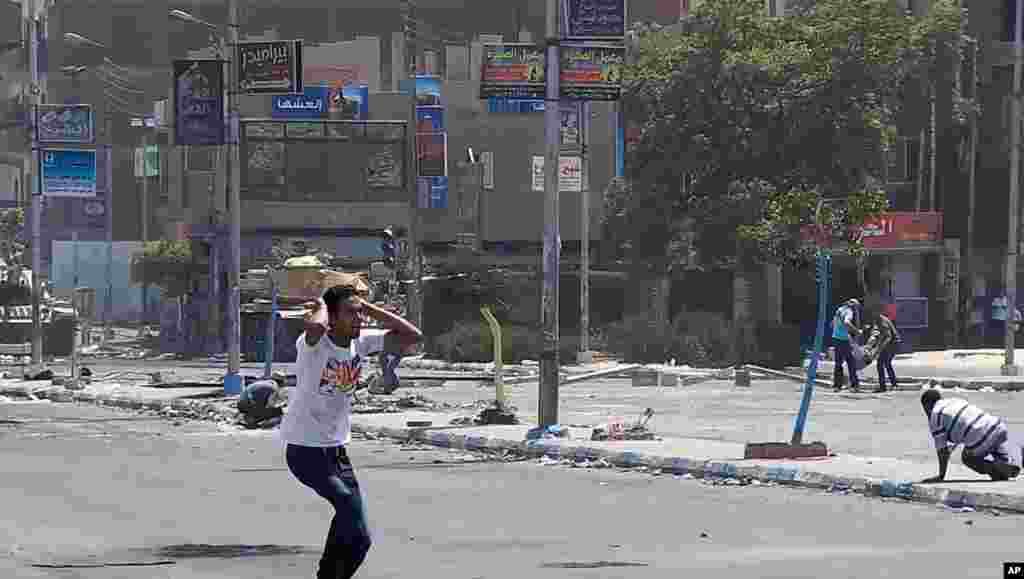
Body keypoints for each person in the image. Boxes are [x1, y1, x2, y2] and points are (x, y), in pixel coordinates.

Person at [280, 283, 422, 579]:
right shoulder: (313, 345)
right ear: (331, 317)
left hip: (337, 453)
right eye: (351, 313)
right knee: (346, 505)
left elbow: (413, 335)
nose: (359, 319)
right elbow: (316, 327)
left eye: (360, 313)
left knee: (360, 537)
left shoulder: (361, 343)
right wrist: (322, 303)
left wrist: (367, 307)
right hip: (305, 450)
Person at [919, 389, 1021, 483]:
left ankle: (1000, 469)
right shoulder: (954, 401)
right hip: (998, 427)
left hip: (982, 437)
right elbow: (963, 425)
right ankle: (1008, 462)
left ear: (927, 406)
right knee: (988, 440)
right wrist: (951, 448)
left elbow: (942, 452)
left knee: (967, 458)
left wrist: (941, 475)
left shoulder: (935, 416)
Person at [831, 298, 863, 391]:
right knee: (851, 362)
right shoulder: (849, 312)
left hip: (836, 337)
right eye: (857, 308)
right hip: (844, 340)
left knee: (838, 363)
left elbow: (832, 323)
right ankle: (854, 385)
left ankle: (837, 385)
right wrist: (857, 331)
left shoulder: (840, 309)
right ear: (854, 307)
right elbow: (847, 322)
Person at [864, 310, 900, 393]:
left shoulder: (882, 321)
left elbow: (888, 337)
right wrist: (870, 347)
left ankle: (887, 386)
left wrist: (879, 349)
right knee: (884, 364)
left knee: (882, 364)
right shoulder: (877, 320)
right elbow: (877, 335)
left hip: (892, 344)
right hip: (890, 343)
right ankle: (892, 385)